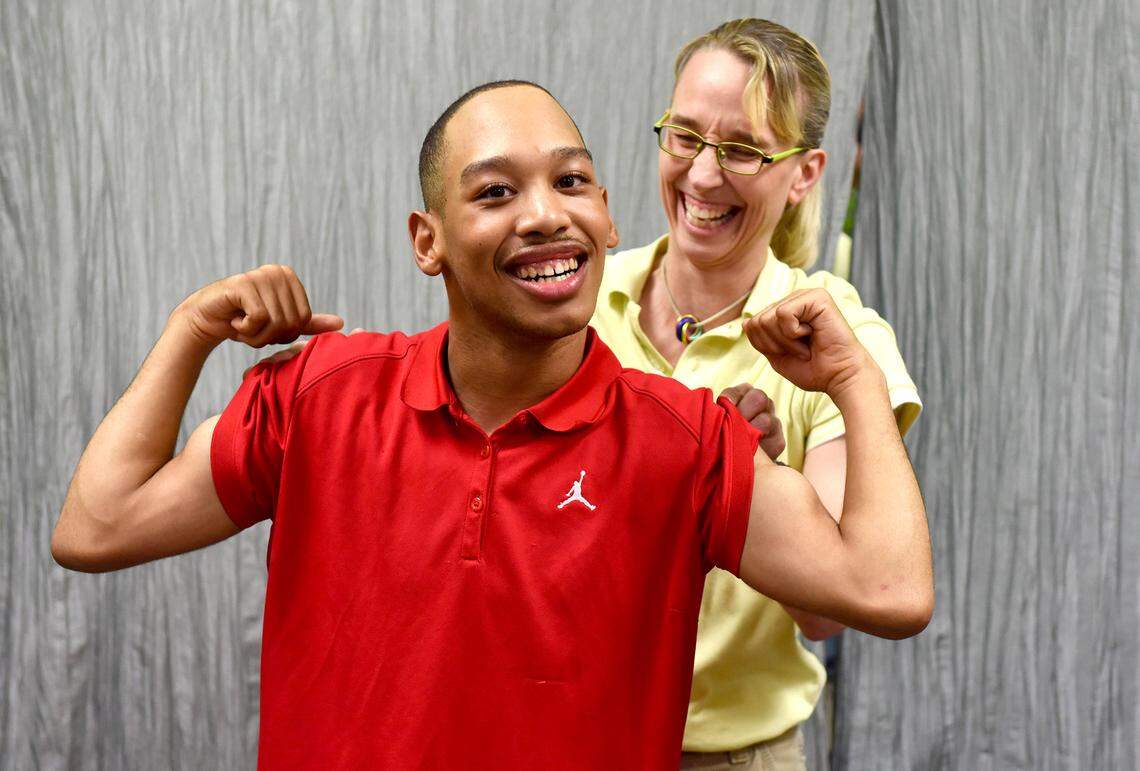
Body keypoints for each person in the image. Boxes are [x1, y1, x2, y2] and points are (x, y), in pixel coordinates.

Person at [51, 80, 932, 769]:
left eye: (573, 180)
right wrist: (191, 331)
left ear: (608, 216)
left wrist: (852, 377)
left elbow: (888, 593)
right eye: (497, 190)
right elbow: (96, 525)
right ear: (426, 241)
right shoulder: (319, 396)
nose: (546, 211)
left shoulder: (686, 443)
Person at [589, 19, 923, 768]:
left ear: (804, 173)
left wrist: (758, 478)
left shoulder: (834, 339)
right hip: (570, 736)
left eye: (741, 149)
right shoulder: (581, 304)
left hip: (735, 756)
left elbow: (829, 607)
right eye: (684, 136)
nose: (704, 175)